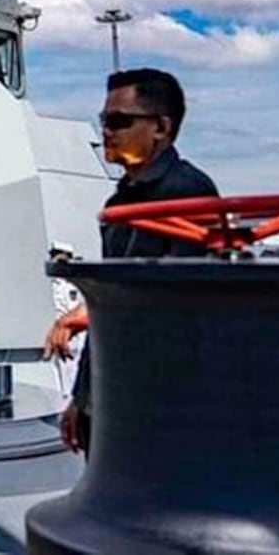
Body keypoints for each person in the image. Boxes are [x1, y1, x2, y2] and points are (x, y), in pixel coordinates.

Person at [43, 68, 218, 454]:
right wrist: (83, 400)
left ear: (160, 127)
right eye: (105, 120)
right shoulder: (120, 203)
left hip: (164, 401)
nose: (107, 130)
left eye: (120, 121)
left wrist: (84, 313)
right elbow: (111, 312)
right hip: (116, 395)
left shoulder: (189, 192)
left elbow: (184, 299)